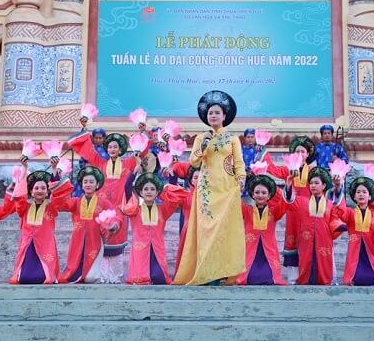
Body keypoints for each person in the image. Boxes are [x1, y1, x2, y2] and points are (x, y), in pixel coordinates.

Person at [173, 90, 246, 286]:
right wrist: (204, 145)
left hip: (227, 188)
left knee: (224, 230)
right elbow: (193, 161)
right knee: (206, 229)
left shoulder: (232, 139)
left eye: (217, 113)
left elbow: (239, 162)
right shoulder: (200, 138)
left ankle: (221, 272)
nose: (213, 115)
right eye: (210, 113)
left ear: (224, 116)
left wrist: (241, 179)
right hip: (207, 189)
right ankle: (204, 272)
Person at [68, 123, 143, 283]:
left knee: (118, 240)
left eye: (115, 147)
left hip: (120, 208)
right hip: (101, 209)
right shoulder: (100, 162)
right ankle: (101, 276)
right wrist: (84, 129)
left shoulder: (128, 163)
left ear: (121, 149)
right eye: (109, 147)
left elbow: (141, 149)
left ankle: (116, 276)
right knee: (101, 240)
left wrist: (141, 132)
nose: (112, 149)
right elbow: (87, 150)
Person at [9, 159, 73, 284]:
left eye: (43, 188)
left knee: (44, 278)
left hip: (46, 245)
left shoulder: (52, 207)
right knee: (24, 278)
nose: (39, 190)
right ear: (31, 192)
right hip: (28, 245)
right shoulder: (24, 208)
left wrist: (54, 169)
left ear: (48, 192)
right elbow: (19, 197)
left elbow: (59, 195)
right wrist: (24, 168)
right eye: (36, 188)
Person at [122, 172, 190, 284]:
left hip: (157, 249)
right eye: (146, 189)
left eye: (152, 189)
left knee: (160, 278)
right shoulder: (135, 210)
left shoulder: (163, 209)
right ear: (140, 192)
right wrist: (134, 172)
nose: (149, 192)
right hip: (140, 250)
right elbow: (127, 188)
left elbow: (175, 198)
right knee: (139, 280)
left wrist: (169, 181)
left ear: (157, 192)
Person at [58, 166, 120, 284]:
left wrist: (113, 225)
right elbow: (61, 204)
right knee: (73, 271)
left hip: (94, 239)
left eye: (91, 182)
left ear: (97, 184)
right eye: (85, 182)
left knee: (91, 278)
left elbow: (115, 216)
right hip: (77, 239)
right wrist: (59, 180)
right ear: (82, 185)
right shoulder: (76, 201)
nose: (88, 184)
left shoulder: (104, 203)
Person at [266, 135, 316, 282]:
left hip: (309, 212)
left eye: (303, 152)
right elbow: (272, 170)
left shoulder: (314, 171)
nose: (300, 154)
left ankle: (309, 274)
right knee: (291, 240)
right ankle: (293, 276)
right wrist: (263, 152)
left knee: (308, 240)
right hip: (292, 212)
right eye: (297, 152)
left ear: (308, 154)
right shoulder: (288, 170)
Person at [283, 167, 343, 285]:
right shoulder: (301, 201)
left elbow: (337, 215)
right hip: (306, 239)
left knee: (323, 261)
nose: (313, 186)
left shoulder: (329, 204)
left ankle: (325, 279)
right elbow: (290, 200)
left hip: (324, 239)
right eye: (311, 183)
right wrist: (289, 181)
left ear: (324, 186)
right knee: (306, 261)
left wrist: (338, 186)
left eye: (316, 183)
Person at [334, 176, 374, 286]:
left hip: (370, 252)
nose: (361, 194)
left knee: (373, 278)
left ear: (369, 196)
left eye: (364, 192)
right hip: (354, 252)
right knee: (355, 278)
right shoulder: (350, 213)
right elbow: (340, 211)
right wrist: (338, 187)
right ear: (354, 197)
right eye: (358, 192)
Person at [237, 174, 289, 285]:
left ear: (269, 195)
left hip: (268, 252)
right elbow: (235, 203)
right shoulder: (247, 210)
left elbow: (285, 203)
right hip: (251, 252)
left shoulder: (274, 212)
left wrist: (288, 184)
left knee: (269, 277)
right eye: (257, 192)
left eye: (264, 193)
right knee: (249, 277)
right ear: (252, 194)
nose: (260, 195)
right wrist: (238, 188)